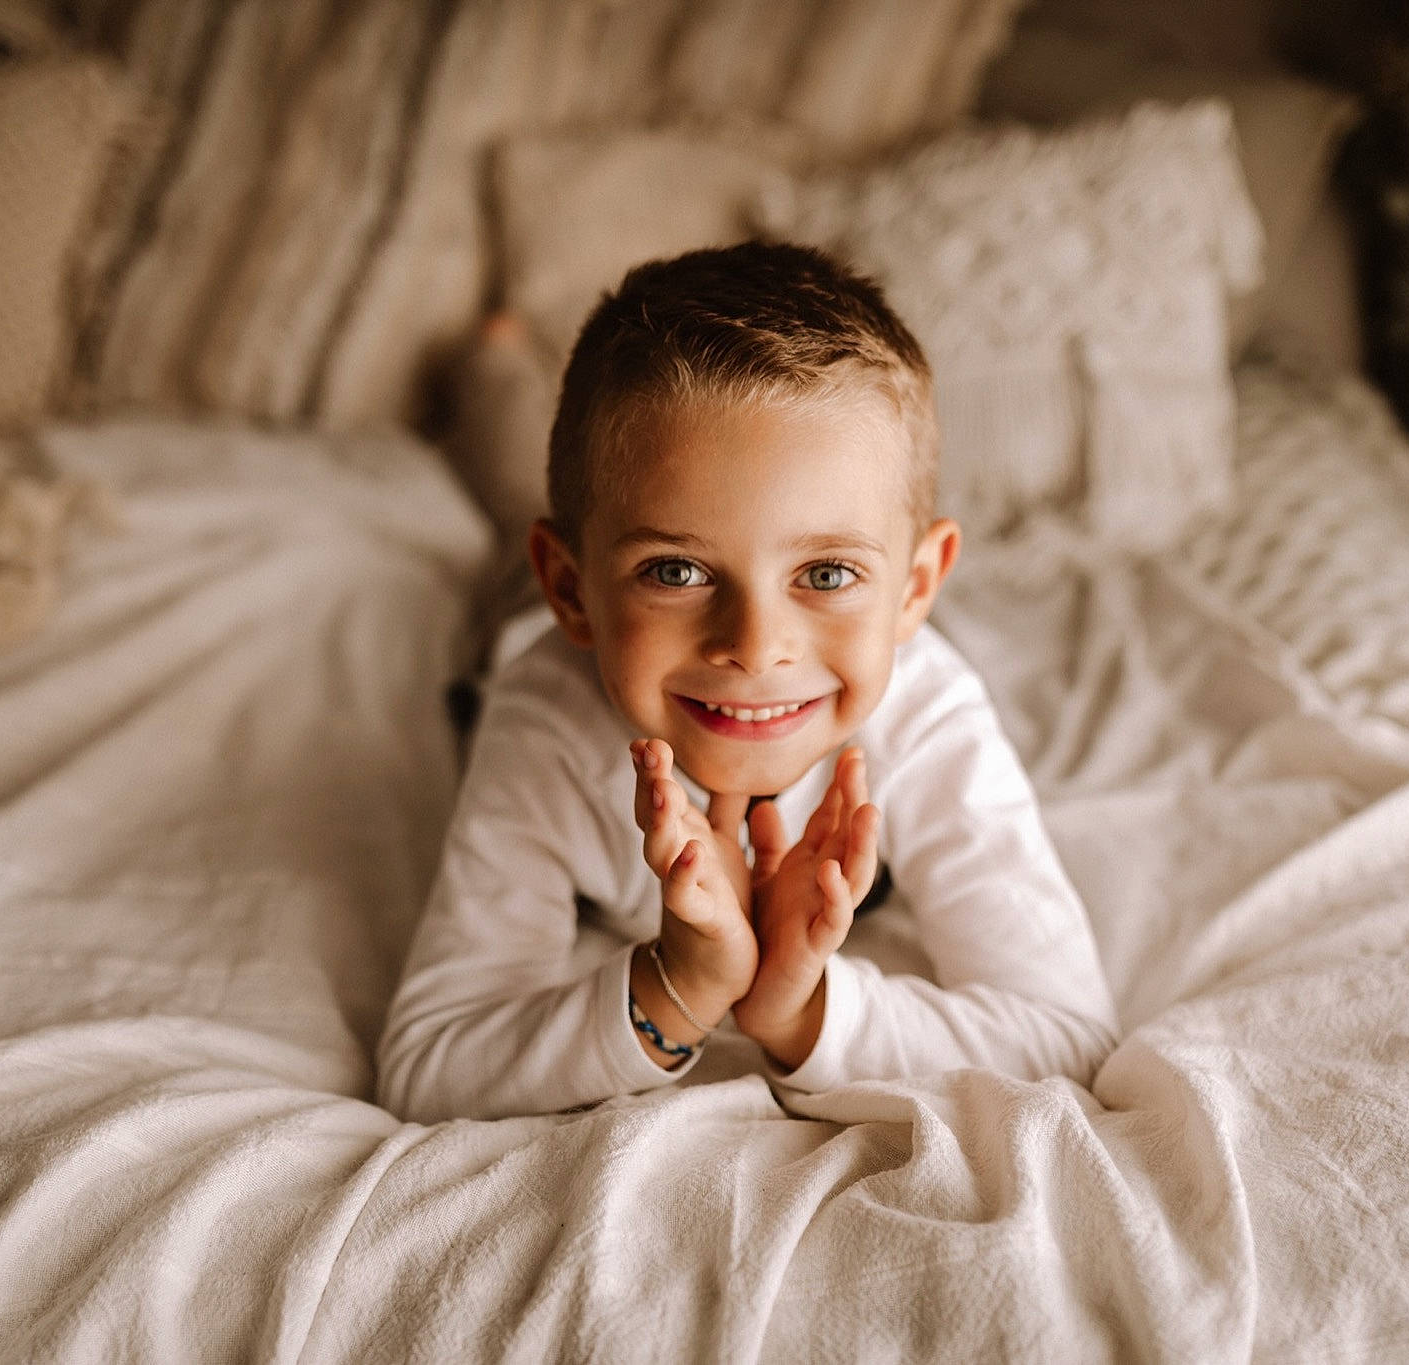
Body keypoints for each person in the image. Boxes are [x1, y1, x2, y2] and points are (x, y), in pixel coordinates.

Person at [376, 241, 1116, 1123]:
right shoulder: (546, 719)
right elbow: (429, 1067)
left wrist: (804, 1012)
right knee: (502, 516)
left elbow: (1069, 1035)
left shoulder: (926, 716)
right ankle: (494, 372)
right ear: (573, 590)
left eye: (829, 573)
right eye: (677, 572)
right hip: (522, 614)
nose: (758, 647)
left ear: (916, 588)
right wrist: (678, 985)